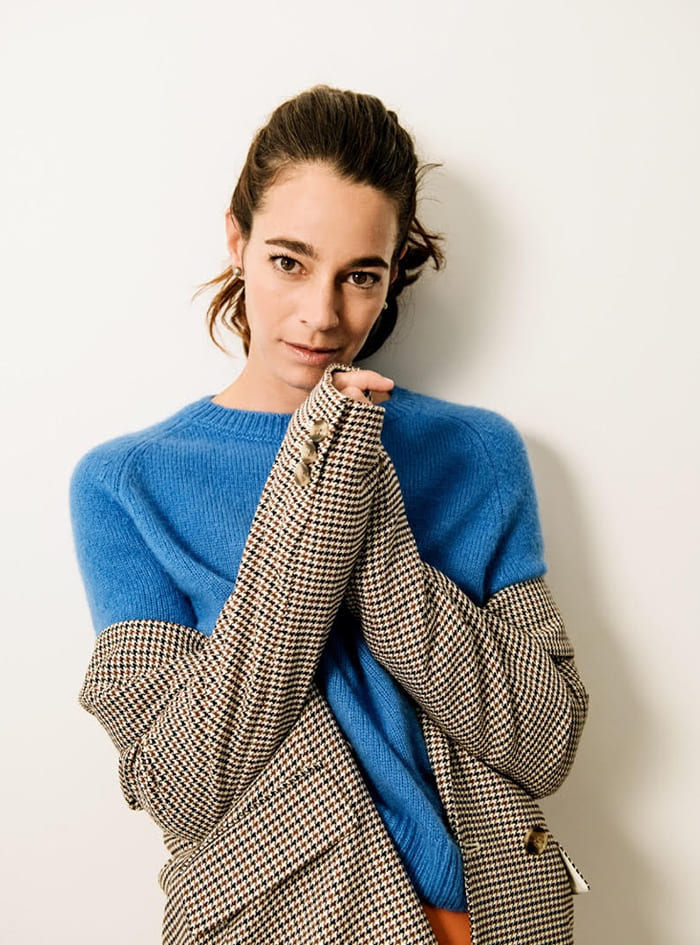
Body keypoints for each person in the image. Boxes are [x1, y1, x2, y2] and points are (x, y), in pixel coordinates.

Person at [69, 84, 590, 945]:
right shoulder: (129, 483)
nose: (322, 314)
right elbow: (183, 784)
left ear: (394, 272)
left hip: (497, 917)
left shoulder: (475, 453)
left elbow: (545, 741)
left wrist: (376, 531)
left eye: (361, 275)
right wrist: (327, 482)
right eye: (289, 261)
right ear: (237, 242)